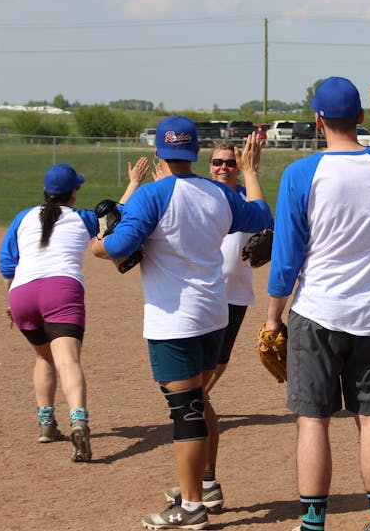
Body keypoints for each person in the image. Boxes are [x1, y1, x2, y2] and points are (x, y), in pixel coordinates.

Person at [91, 117, 272, 530]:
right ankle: (204, 485)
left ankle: (191, 509)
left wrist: (98, 245)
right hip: (213, 314)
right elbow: (260, 214)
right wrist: (249, 173)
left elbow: (118, 246)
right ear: (196, 153)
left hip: (174, 321)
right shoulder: (219, 193)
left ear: (159, 152)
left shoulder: (153, 195)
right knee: (200, 401)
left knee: (186, 410)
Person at [261, 71, 370, 531]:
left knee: (313, 421)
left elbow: (287, 258)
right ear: (361, 117)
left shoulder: (301, 173)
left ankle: (313, 525)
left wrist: (273, 317)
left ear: (317, 120)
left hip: (318, 313)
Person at [0, 159, 148, 462]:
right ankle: (78, 420)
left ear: (45, 191)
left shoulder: (22, 217)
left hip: (22, 293)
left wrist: (10, 301)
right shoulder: (81, 218)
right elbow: (114, 216)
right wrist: (133, 183)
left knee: (44, 357)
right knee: (67, 360)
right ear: (74, 193)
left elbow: (7, 264)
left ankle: (46, 423)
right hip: (61, 289)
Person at [161, 140, 275, 513]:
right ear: (207, 165)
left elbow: (266, 225)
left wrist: (250, 172)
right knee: (196, 398)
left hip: (228, 304)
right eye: (217, 162)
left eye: (230, 162)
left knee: (195, 398)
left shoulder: (240, 202)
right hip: (194, 304)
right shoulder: (201, 196)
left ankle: (205, 484)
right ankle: (202, 482)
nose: (223, 166)